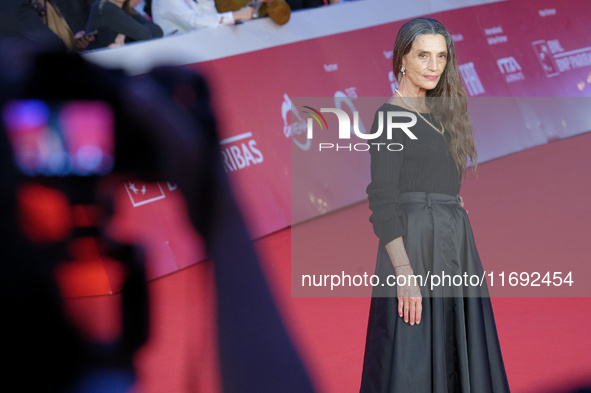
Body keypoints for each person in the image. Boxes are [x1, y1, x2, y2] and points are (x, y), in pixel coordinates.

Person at [360, 18, 510, 392]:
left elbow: (440, 179)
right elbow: (383, 202)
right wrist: (405, 274)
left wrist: (453, 209)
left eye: (441, 57)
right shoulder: (389, 118)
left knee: (457, 347)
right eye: (423, 55)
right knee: (411, 357)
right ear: (402, 60)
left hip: (453, 243)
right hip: (414, 246)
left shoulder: (443, 113)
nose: (433, 66)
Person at [85, 0, 163, 50]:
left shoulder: (128, 10)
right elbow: (145, 35)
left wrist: (125, 31)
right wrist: (131, 29)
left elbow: (158, 30)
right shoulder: (103, 7)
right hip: (100, 69)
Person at [151, 0, 254, 36]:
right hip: (181, 61)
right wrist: (234, 16)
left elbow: (212, 19)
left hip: (202, 49)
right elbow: (194, 23)